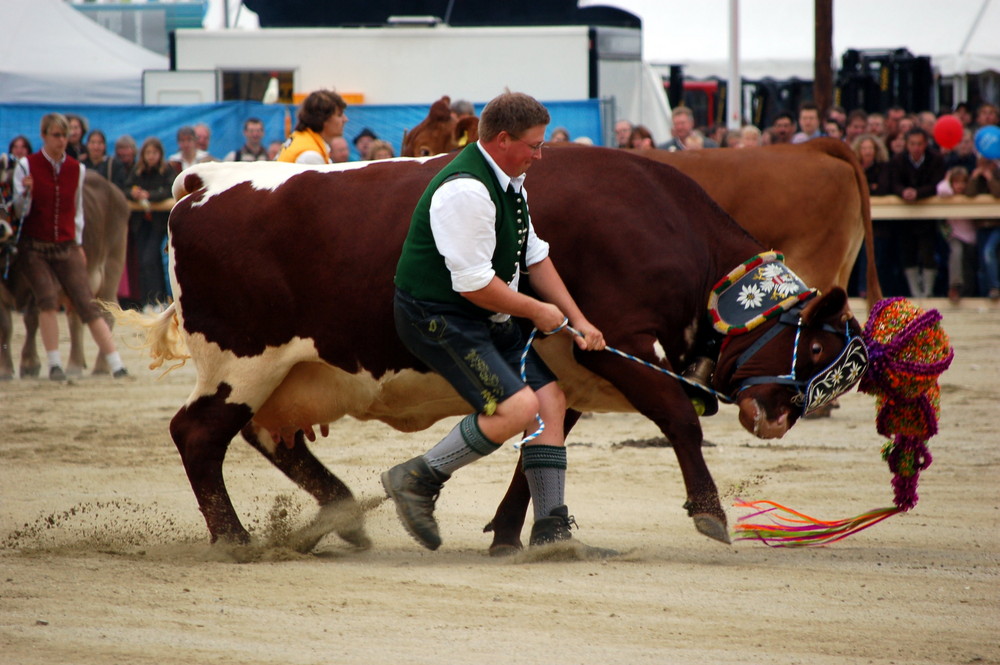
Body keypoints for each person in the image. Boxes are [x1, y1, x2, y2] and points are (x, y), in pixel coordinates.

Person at [385, 91, 606, 552]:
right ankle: (416, 479)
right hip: (438, 317)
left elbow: (535, 256)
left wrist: (579, 319)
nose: (539, 154)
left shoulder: (509, 177)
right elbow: (472, 285)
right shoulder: (466, 189)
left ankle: (550, 531)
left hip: (486, 315)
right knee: (518, 410)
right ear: (503, 139)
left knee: (550, 401)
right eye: (534, 145)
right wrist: (539, 312)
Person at [10, 113, 127, 381]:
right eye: (56, 135)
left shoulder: (78, 169)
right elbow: (18, 211)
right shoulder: (26, 166)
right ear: (44, 136)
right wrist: (25, 194)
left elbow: (77, 213)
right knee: (47, 300)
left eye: (64, 136)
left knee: (86, 301)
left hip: (66, 245)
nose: (61, 140)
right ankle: (54, 364)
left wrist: (77, 242)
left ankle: (116, 362)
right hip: (34, 246)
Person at [889, 127, 947, 298]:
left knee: (928, 253)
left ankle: (927, 292)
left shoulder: (936, 159)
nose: (916, 148)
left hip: (927, 216)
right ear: (907, 144)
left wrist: (918, 193)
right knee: (908, 254)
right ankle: (915, 292)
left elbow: (937, 183)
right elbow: (894, 183)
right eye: (912, 144)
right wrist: (903, 192)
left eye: (919, 144)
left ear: (925, 144)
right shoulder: (898, 160)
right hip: (905, 216)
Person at [124, 137, 177, 311]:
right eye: (148, 153)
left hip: (158, 224)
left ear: (160, 154)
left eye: (154, 153)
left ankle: (159, 299)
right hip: (141, 224)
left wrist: (150, 195)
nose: (151, 156)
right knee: (141, 260)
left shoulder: (167, 170)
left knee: (151, 259)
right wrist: (135, 194)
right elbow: (126, 188)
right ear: (143, 155)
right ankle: (146, 301)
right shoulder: (137, 171)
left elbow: (171, 189)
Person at [937, 166, 977, 302]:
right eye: (956, 182)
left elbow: (972, 190)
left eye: (962, 182)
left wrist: (974, 178)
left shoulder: (970, 195)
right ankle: (954, 287)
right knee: (956, 253)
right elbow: (942, 190)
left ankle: (969, 293)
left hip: (972, 237)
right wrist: (947, 179)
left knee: (968, 267)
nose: (960, 186)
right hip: (955, 236)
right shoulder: (948, 196)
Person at [276, 89, 348, 165]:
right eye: (339, 115)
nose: (345, 119)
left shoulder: (302, 140)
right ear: (323, 118)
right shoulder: (310, 156)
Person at [968, 156, 1000, 300]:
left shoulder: (997, 175)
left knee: (989, 253)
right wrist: (974, 178)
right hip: (981, 225)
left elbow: (998, 193)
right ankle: (983, 294)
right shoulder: (976, 177)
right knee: (981, 262)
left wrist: (990, 178)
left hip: (997, 225)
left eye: (985, 164)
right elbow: (969, 194)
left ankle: (994, 287)